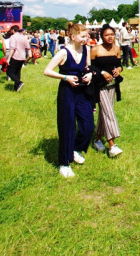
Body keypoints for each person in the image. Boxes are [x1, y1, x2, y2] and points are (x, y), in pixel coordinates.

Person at [43, 22, 94, 178]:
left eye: (87, 36)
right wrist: (65, 77)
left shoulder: (86, 49)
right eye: (83, 36)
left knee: (88, 125)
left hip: (82, 91)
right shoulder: (64, 53)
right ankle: (64, 163)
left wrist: (90, 74)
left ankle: (75, 149)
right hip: (67, 92)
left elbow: (88, 67)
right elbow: (47, 71)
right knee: (67, 126)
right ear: (73, 37)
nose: (87, 38)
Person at [90, 25, 124, 158]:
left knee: (104, 113)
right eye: (106, 35)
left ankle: (97, 139)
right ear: (101, 36)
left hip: (112, 85)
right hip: (99, 85)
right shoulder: (95, 49)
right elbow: (90, 67)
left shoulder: (116, 49)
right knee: (109, 113)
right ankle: (112, 145)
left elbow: (119, 64)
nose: (110, 37)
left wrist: (119, 70)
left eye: (112, 34)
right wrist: (102, 72)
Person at [5, 25, 30, 93]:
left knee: (10, 72)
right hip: (22, 56)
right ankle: (16, 88)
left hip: (15, 56)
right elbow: (28, 47)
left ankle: (19, 82)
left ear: (13, 30)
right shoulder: (23, 37)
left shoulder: (13, 37)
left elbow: (12, 48)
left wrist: (9, 58)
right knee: (17, 72)